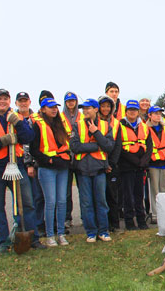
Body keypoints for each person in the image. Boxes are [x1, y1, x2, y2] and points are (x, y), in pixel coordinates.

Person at [0, 89, 45, 253]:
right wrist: (2, 141)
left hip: (16, 165)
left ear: (9, 101)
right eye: (0, 98)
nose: (3, 102)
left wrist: (18, 124)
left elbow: (29, 137)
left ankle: (31, 239)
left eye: (6, 99)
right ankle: (4, 243)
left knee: (27, 203)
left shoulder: (16, 117)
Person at [70, 98, 115, 242]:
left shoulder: (105, 125)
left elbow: (108, 146)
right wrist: (96, 147)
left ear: (96, 109)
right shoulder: (77, 126)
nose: (85, 111)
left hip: (99, 169)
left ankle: (103, 231)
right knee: (86, 203)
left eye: (88, 108)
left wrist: (96, 133)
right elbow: (75, 147)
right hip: (82, 170)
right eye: (83, 109)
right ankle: (91, 232)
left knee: (101, 201)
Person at [30, 97, 72, 246]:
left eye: (55, 107)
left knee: (62, 201)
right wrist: (48, 160)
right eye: (50, 107)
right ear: (43, 109)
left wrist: (66, 159)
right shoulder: (38, 125)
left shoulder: (60, 124)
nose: (54, 109)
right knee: (51, 201)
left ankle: (60, 233)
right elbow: (34, 149)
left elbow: (67, 143)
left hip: (62, 166)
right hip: (47, 167)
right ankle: (50, 235)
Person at [118, 100, 153, 230]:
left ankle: (141, 221)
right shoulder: (120, 126)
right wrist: (134, 160)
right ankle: (129, 222)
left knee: (139, 195)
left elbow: (149, 145)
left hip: (140, 166)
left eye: (134, 110)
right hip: (126, 166)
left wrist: (144, 161)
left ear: (138, 112)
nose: (132, 112)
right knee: (128, 196)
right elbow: (119, 147)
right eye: (130, 110)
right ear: (126, 112)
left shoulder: (144, 126)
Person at [15, 92, 45, 236]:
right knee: (21, 198)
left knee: (37, 196)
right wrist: (28, 164)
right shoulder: (13, 119)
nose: (23, 103)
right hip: (18, 163)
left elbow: (35, 142)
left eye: (25, 101)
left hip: (36, 162)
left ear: (29, 102)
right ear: (16, 103)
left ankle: (38, 224)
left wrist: (32, 163)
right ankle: (21, 225)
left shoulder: (36, 119)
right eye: (20, 101)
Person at [98, 96, 123, 232]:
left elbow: (117, 145)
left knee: (113, 195)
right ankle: (104, 224)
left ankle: (115, 223)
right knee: (101, 196)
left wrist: (111, 163)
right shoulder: (94, 122)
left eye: (108, 106)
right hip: (98, 162)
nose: (106, 109)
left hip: (112, 164)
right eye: (103, 106)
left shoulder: (116, 123)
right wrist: (103, 163)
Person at [146, 105, 165, 223]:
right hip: (152, 163)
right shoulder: (146, 128)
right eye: (155, 114)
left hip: (164, 162)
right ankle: (156, 215)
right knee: (155, 191)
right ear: (150, 115)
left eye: (159, 114)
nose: (158, 116)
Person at [61, 91, 81, 231]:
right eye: (68, 101)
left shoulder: (82, 115)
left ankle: (85, 217)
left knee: (83, 189)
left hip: (80, 157)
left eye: (73, 100)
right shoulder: (60, 116)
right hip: (67, 157)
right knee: (66, 191)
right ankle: (67, 218)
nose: (71, 103)